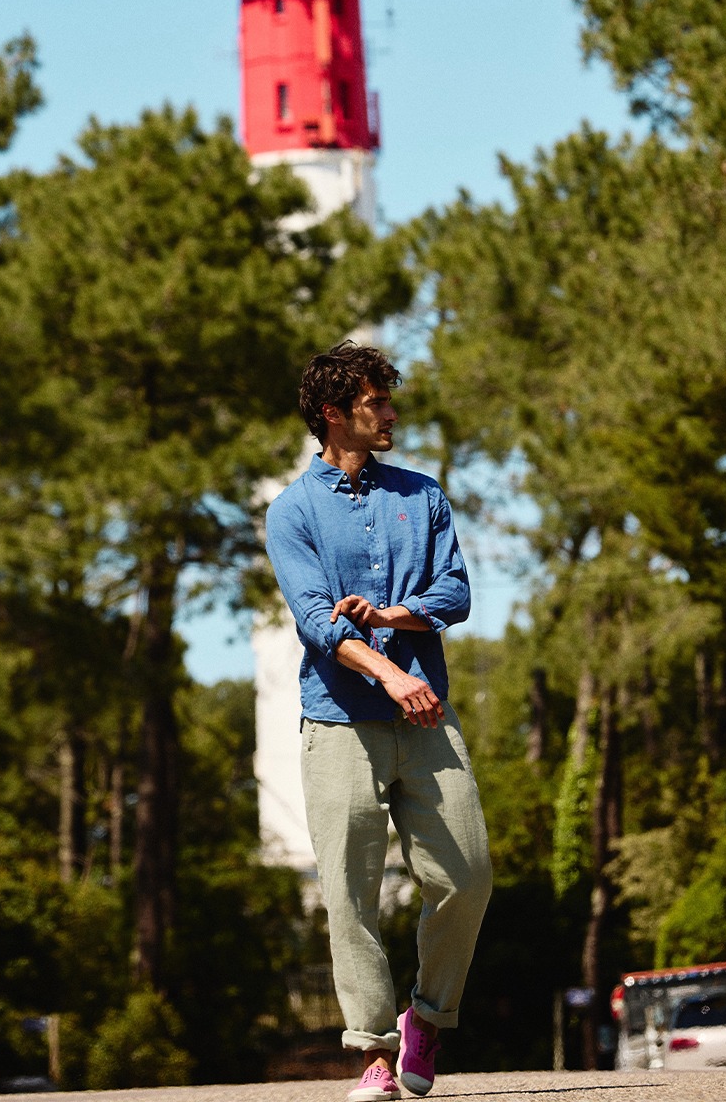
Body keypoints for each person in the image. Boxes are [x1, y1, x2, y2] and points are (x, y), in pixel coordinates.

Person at [265, 341, 492, 1101]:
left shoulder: (421, 495)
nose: (390, 414)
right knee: (350, 891)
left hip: (427, 718)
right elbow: (315, 624)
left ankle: (427, 1015)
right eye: (375, 403)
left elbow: (453, 592)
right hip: (338, 724)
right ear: (334, 413)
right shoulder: (293, 512)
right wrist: (390, 669)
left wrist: (393, 614)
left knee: (466, 876)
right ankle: (372, 1050)